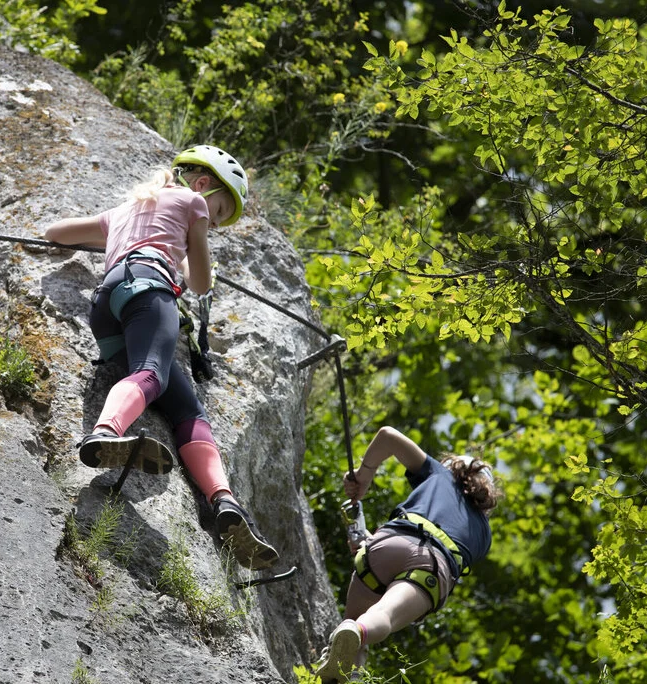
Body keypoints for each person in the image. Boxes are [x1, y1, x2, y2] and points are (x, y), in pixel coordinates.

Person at [43, 145, 278, 570]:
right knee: (151, 375)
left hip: (108, 306)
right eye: (220, 212)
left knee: (187, 408)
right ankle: (104, 432)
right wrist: (197, 242)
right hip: (150, 291)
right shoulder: (192, 202)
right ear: (203, 184)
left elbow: (55, 232)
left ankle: (223, 500)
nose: (215, 221)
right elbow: (202, 283)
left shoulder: (125, 210)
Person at [314, 426, 502, 681]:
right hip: (432, 564)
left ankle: (345, 656)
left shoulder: (439, 474)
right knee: (380, 618)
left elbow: (387, 436)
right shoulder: (484, 533)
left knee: (353, 629)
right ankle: (356, 631)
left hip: (385, 545)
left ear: (453, 468)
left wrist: (364, 475)